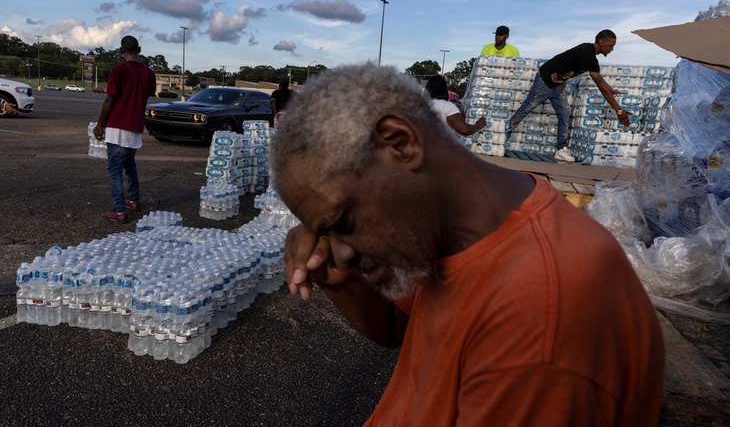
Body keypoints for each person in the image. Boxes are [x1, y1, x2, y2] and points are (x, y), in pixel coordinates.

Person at [271, 63, 664, 426]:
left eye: (343, 222)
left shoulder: (539, 322)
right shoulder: (460, 226)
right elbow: (399, 329)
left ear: (401, 143)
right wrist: (339, 279)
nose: (341, 249)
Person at [507, 29, 630, 163]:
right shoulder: (587, 54)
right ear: (601, 42)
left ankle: (561, 149)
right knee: (526, 108)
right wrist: (619, 110)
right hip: (544, 82)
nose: (612, 49)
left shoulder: (590, 55)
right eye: (611, 45)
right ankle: (503, 136)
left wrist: (610, 89)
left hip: (558, 85)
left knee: (564, 113)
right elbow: (600, 84)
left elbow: (600, 80)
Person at [93, 35, 156, 224]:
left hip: (117, 126)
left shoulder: (118, 70)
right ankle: (134, 200)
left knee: (114, 170)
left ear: (121, 51)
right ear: (140, 49)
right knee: (130, 164)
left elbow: (110, 99)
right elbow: (147, 94)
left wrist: (100, 124)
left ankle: (120, 211)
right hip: (135, 127)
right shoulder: (149, 73)